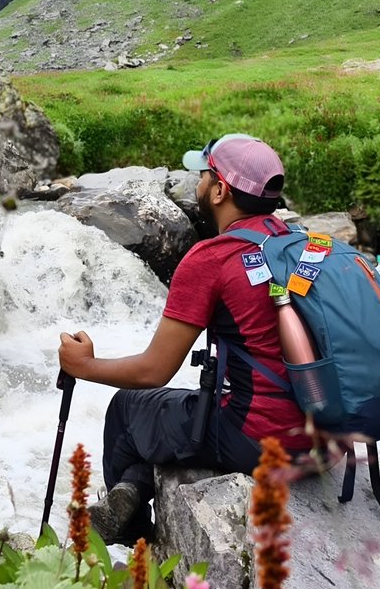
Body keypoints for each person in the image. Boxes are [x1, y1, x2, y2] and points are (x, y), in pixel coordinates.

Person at [57, 134, 308, 544]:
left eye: (204, 176)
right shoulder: (294, 243)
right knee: (178, 409)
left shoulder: (212, 258)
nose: (198, 185)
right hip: (322, 436)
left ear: (221, 190)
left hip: (261, 442)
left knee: (128, 409)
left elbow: (154, 371)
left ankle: (137, 537)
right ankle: (133, 489)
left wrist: (83, 366)